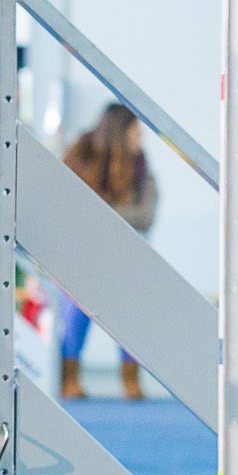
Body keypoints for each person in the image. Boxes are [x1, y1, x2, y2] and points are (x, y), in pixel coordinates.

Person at [57, 102, 157, 399]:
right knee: (74, 314)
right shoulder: (81, 154)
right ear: (120, 133)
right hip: (80, 254)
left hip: (123, 256)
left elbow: (145, 214)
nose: (141, 138)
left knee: (129, 317)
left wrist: (100, 212)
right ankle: (69, 379)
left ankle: (131, 381)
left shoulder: (140, 165)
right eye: (136, 131)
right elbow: (67, 205)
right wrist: (114, 212)